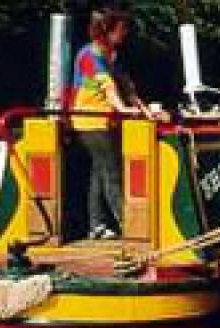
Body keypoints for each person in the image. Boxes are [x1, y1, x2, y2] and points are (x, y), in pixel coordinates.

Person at [71, 8, 151, 240]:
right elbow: (109, 87)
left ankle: (97, 225)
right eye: (121, 29)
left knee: (100, 171)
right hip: (90, 120)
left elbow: (127, 86)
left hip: (105, 121)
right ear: (107, 30)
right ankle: (130, 225)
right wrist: (123, 109)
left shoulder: (112, 55)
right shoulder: (89, 55)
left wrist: (146, 111)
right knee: (112, 171)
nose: (125, 34)